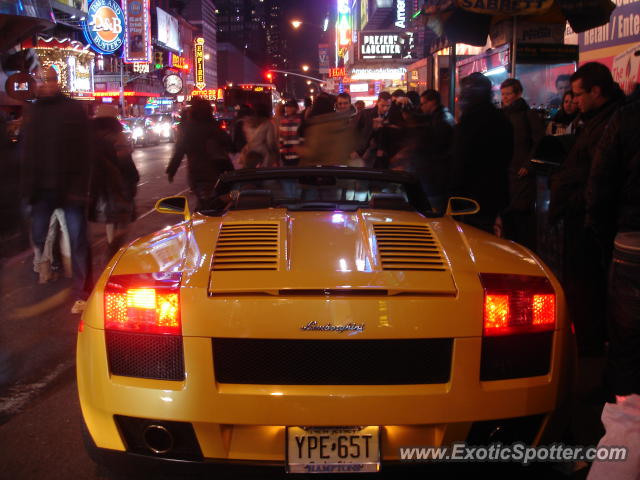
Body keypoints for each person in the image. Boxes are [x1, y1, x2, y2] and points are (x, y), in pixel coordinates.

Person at [549, 62, 626, 356]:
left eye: (578, 94)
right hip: (581, 217)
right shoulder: (594, 119)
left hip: (589, 222)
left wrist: (584, 211)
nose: (574, 100)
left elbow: (599, 177)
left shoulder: (611, 121)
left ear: (597, 91)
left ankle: (590, 350)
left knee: (589, 288)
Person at [585, 85, 640, 480]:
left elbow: (599, 188)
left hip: (634, 245)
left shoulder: (627, 117)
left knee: (631, 366)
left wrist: (609, 241)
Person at [21, 67, 92, 313]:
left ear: (57, 82)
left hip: (70, 189)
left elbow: (85, 150)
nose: (46, 84)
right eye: (42, 80)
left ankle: (84, 292)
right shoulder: (34, 111)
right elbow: (28, 152)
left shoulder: (73, 109)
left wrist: (82, 187)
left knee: (78, 242)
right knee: (39, 237)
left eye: (50, 79)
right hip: (42, 190)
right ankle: (54, 268)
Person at [450, 72, 513, 233]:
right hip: (495, 196)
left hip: (470, 201)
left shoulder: (467, 125)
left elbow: (459, 165)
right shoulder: (502, 120)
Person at [500, 78, 545, 251]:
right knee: (508, 218)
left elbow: (539, 142)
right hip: (507, 173)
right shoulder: (503, 115)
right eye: (503, 94)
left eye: (508, 94)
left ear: (518, 93)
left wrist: (528, 165)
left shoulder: (528, 115)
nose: (505, 97)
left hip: (522, 175)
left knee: (522, 218)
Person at [89, 108, 139, 262]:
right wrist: (134, 177)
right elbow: (125, 161)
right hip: (118, 182)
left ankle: (112, 248)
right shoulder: (117, 136)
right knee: (123, 221)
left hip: (100, 184)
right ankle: (113, 252)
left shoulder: (91, 137)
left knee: (110, 219)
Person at [167, 97, 235, 210]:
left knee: (205, 201)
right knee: (215, 201)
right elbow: (230, 145)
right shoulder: (214, 127)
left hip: (197, 172)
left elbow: (179, 151)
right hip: (216, 171)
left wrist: (171, 170)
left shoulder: (188, 130)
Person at [297, 92, 356, 167]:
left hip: (345, 162)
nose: (342, 106)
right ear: (336, 105)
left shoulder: (357, 118)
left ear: (350, 104)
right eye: (340, 103)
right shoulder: (331, 122)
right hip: (335, 164)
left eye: (345, 103)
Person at [355, 91, 404, 169]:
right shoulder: (366, 114)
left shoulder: (395, 115)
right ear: (377, 103)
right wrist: (373, 128)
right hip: (368, 153)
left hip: (387, 155)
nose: (385, 108)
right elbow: (357, 132)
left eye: (388, 106)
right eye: (382, 105)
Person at [238, 102, 280, 168]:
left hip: (249, 151)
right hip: (263, 154)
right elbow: (271, 142)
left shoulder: (247, 123)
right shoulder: (268, 124)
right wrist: (276, 153)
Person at [279, 99, 302, 166]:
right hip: (286, 155)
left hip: (298, 156)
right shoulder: (283, 122)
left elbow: (302, 138)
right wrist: (281, 152)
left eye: (290, 107)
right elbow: (281, 139)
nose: (287, 109)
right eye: (286, 107)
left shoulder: (300, 121)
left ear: (295, 108)